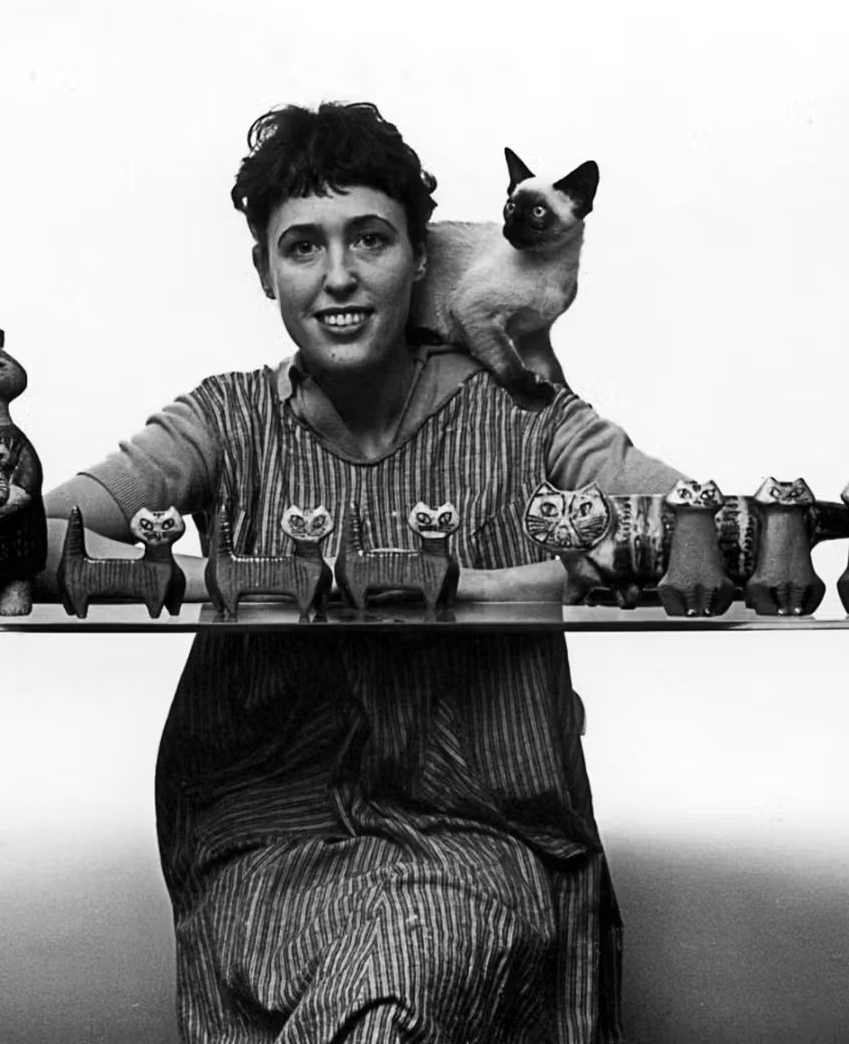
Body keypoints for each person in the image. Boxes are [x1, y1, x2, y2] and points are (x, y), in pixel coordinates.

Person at [40, 101, 684, 1043]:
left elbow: (694, 528)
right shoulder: (224, 421)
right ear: (263, 270)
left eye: (371, 239)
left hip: (486, 840)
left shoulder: (533, 417)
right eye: (303, 246)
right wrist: (240, 577)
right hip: (261, 843)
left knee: (393, 987)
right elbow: (28, 536)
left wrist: (489, 586)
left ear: (422, 256)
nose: (338, 276)